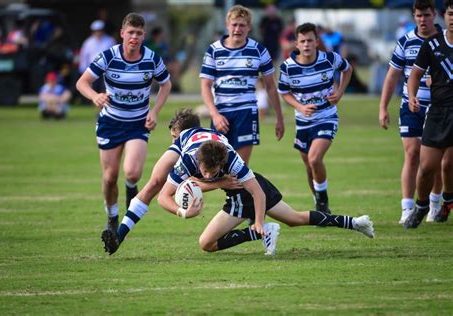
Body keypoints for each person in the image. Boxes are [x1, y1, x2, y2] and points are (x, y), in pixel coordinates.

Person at [102, 109, 374, 255]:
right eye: (204, 172)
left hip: (245, 194)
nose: (207, 176)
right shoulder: (187, 159)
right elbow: (164, 196)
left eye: (213, 172)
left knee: (206, 244)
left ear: (221, 163)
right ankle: (355, 222)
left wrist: (256, 222)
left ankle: (260, 232)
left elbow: (255, 191)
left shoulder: (233, 160)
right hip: (236, 190)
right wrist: (183, 211)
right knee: (295, 218)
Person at [76, 13, 172, 236]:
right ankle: (112, 216)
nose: (134, 37)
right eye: (130, 32)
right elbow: (82, 82)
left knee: (132, 173)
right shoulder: (108, 56)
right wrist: (94, 96)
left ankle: (131, 189)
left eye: (139, 33)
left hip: (138, 124)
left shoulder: (151, 58)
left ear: (143, 35)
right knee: (110, 177)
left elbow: (166, 85)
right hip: (110, 123)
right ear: (122, 33)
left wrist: (155, 112)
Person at [378, 0, 443, 224]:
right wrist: (383, 107)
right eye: (418, 16)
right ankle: (407, 207)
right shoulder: (405, 42)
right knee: (412, 153)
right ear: (413, 16)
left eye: (426, 15)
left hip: (439, 109)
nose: (422, 20)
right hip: (410, 106)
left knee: (434, 161)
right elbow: (392, 76)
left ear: (434, 14)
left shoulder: (444, 41)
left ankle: (435, 203)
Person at [278, 22, 353, 214]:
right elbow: (284, 93)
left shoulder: (329, 59)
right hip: (303, 123)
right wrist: (300, 107)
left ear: (316, 42)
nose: (306, 45)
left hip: (326, 117)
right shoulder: (287, 67)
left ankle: (322, 200)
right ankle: (319, 203)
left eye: (310, 40)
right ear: (296, 44)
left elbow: (348, 69)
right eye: (302, 41)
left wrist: (341, 92)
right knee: (308, 166)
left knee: (314, 158)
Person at [200, 5, 284, 165]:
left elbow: (271, 86)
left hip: (246, 113)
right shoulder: (214, 50)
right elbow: (205, 86)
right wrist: (214, 114)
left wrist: (279, 118)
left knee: (240, 168)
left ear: (249, 27)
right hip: (221, 113)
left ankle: (241, 190)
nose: (237, 29)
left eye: (242, 25)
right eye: (234, 24)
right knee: (216, 167)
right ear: (227, 25)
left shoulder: (259, 50)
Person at [404, 0, 453, 228]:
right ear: (445, 15)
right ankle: (421, 206)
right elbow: (415, 74)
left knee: (449, 164)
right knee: (426, 169)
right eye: (451, 14)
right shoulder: (433, 43)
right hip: (438, 112)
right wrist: (412, 95)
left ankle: (447, 203)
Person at [78, 20, 116, 93]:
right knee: (94, 89)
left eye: (100, 30)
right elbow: (84, 56)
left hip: (107, 69)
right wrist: (83, 70)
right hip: (93, 69)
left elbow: (115, 54)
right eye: (96, 30)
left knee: (106, 89)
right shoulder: (88, 42)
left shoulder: (110, 40)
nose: (98, 32)